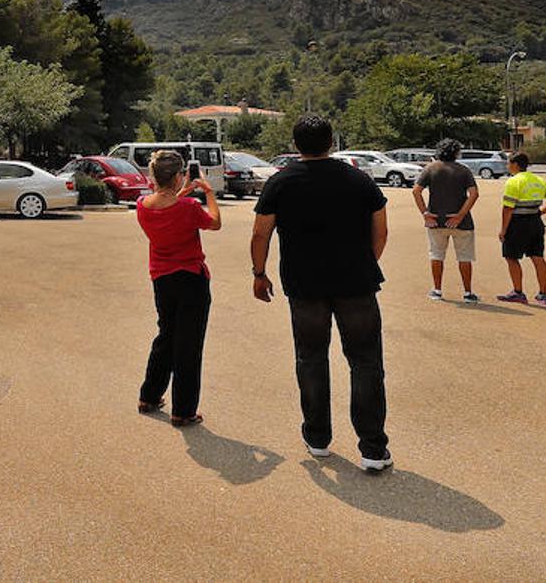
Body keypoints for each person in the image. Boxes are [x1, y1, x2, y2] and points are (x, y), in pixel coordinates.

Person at [249, 116, 393, 472]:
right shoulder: (358, 179)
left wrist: (259, 273)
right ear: (331, 141)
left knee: (311, 358)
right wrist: (362, 262)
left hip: (304, 286)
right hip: (356, 284)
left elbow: (260, 234)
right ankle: (373, 449)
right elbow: (382, 230)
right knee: (366, 362)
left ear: (296, 144)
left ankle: (317, 439)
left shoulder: (281, 182)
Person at [135, 150, 221, 427]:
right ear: (177, 175)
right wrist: (208, 192)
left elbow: (167, 206)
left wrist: (182, 191)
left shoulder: (142, 205)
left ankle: (149, 395)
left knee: (166, 336)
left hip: (162, 278)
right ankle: (183, 410)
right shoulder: (189, 208)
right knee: (188, 345)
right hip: (191, 278)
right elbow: (215, 223)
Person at [411, 138, 480, 302]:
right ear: (457, 153)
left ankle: (437, 290)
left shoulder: (431, 169)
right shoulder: (464, 170)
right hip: (462, 223)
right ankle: (468, 293)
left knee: (436, 255)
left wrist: (425, 213)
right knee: (464, 257)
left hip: (436, 220)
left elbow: (416, 191)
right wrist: (460, 215)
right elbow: (474, 194)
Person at [496, 151, 546, 306]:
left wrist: (503, 230)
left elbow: (508, 208)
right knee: (537, 257)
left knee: (511, 257)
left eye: (509, 163)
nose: (508, 166)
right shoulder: (538, 180)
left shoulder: (513, 182)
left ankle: (518, 292)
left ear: (515, 165)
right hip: (535, 222)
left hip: (517, 223)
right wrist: (542, 211)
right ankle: (543, 294)